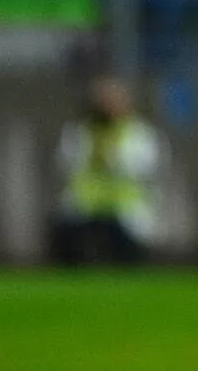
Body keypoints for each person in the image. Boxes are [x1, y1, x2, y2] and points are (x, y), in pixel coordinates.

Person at [51, 75, 161, 265]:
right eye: (103, 100)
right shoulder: (81, 131)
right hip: (86, 204)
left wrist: (113, 161)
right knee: (66, 235)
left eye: (113, 100)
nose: (107, 105)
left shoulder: (138, 133)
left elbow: (149, 168)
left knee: (127, 250)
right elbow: (63, 163)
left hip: (124, 206)